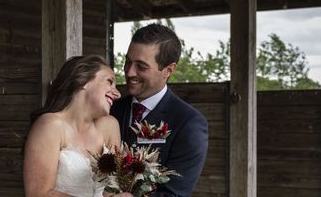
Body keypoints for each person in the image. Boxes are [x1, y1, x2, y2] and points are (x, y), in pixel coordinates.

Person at [110, 24, 208, 197]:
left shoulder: (189, 123)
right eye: (127, 61)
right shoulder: (112, 108)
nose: (129, 71)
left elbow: (175, 193)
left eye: (141, 66)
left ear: (168, 70)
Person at [23, 55, 133, 197]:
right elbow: (37, 194)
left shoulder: (110, 126)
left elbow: (109, 189)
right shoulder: (50, 125)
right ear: (83, 81)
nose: (117, 94)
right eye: (109, 82)